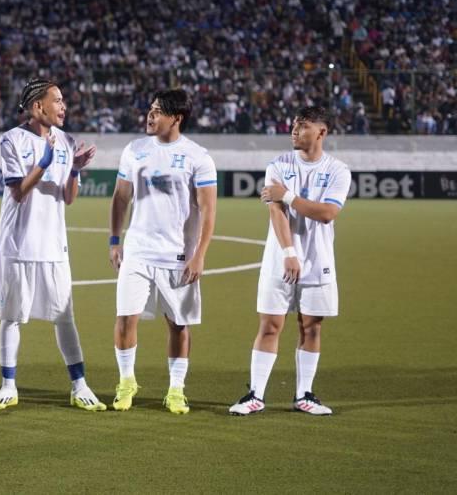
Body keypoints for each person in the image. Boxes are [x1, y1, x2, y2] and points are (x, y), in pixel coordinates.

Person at [229, 105, 351, 417]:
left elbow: (327, 214)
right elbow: (276, 213)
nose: (294, 131)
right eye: (294, 125)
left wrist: (286, 195)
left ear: (321, 132)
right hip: (280, 259)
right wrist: (289, 253)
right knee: (270, 325)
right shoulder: (279, 165)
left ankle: (304, 395)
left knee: (311, 327)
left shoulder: (338, 170)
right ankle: (255, 394)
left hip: (319, 259)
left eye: (303, 126)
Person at [0, 78, 104, 412]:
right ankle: (8, 386)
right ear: (38, 106)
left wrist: (74, 170)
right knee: (11, 316)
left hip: (54, 245)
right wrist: (45, 160)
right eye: (57, 100)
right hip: (17, 244)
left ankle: (79, 385)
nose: (63, 106)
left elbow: (68, 198)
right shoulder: (11, 139)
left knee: (64, 316)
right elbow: (17, 190)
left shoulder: (67, 141)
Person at [108, 90, 217, 414]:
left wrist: (199, 254)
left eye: (157, 111)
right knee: (126, 318)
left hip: (177, 255)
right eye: (150, 109)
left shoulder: (198, 156)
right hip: (138, 251)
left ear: (177, 118)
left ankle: (176, 389)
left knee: (179, 325)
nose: (150, 116)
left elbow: (208, 210)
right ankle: (126, 382)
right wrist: (115, 240)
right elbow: (120, 198)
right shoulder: (134, 150)